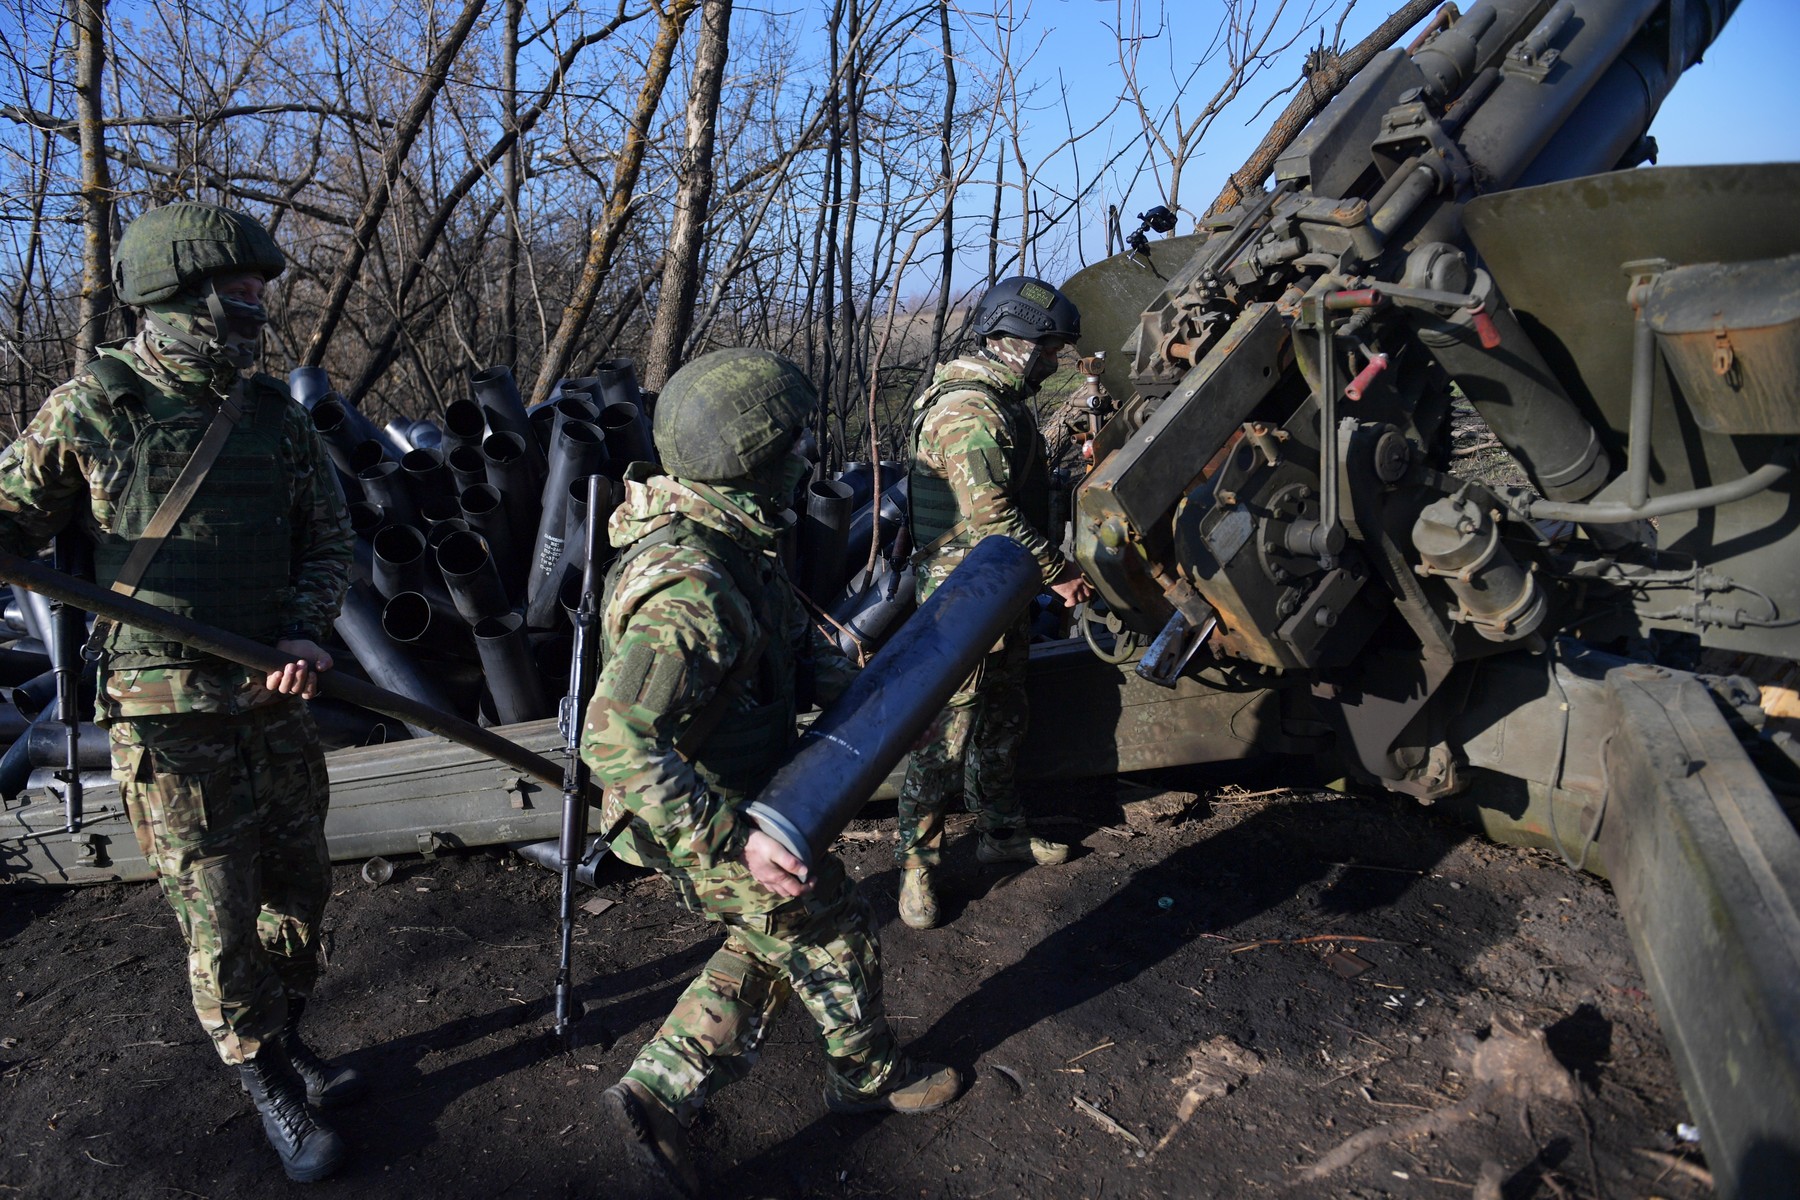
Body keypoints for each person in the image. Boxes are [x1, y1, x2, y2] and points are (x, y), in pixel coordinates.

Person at [0, 202, 358, 1182]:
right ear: (182, 300)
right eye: (241, 294)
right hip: (168, 718)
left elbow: (330, 538)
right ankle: (261, 1072)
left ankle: (287, 1033)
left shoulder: (276, 417)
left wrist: (301, 625)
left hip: (275, 701)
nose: (256, 311)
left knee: (300, 890)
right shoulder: (95, 407)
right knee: (217, 908)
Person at [582, 348, 960, 1197]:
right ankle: (868, 1081)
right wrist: (732, 842)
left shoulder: (732, 540)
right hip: (696, 809)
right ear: (751, 459)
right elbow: (614, 741)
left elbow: (789, 652)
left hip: (733, 791)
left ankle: (653, 1094)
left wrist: (886, 702)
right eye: (790, 445)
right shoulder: (692, 585)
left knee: (772, 931)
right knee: (826, 922)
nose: (804, 460)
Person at [895, 276, 1096, 930]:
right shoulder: (969, 411)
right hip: (963, 596)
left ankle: (1000, 829)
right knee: (944, 728)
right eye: (1051, 349)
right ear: (1020, 341)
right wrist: (1058, 571)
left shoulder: (1003, 399)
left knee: (1006, 707)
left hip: (999, 587)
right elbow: (990, 519)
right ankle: (917, 865)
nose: (1055, 361)